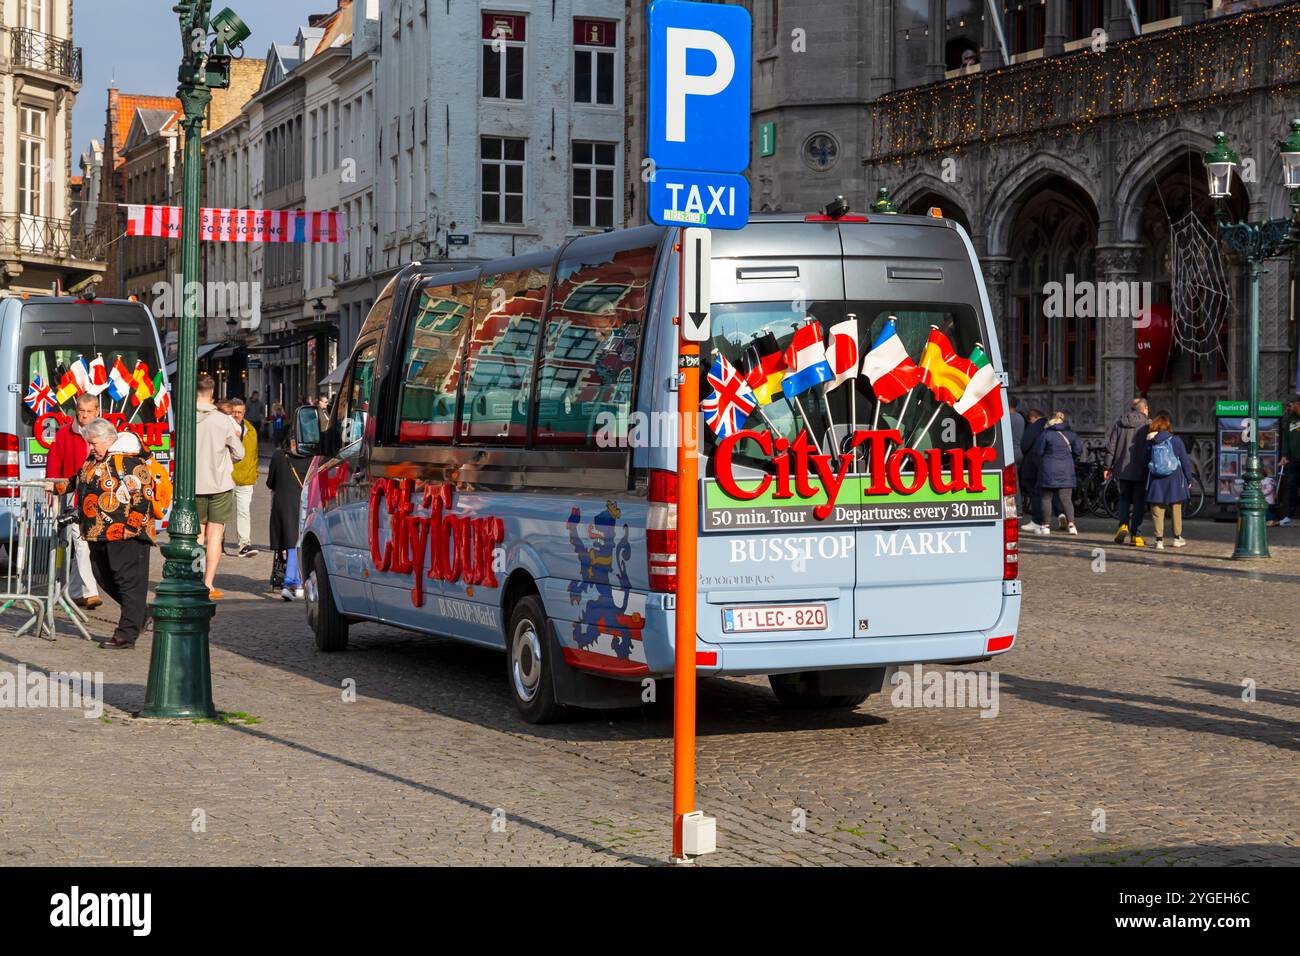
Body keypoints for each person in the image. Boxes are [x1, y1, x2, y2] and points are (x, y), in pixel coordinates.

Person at [73, 418, 172, 649]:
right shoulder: (94, 459)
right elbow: (80, 479)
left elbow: (143, 494)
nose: (90, 448)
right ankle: (139, 613)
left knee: (129, 583)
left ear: (109, 440)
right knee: (102, 575)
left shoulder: (128, 460)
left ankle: (126, 634)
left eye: (94, 443)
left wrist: (132, 526)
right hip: (98, 531)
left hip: (126, 532)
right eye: (89, 443)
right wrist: (57, 486)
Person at [45, 393, 102, 610]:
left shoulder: (103, 431)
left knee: (86, 543)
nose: (84, 415)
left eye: (89, 411)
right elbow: (54, 461)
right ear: (76, 410)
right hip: (74, 497)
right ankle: (90, 592)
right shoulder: (64, 434)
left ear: (96, 411)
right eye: (81, 411)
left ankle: (75, 591)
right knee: (81, 542)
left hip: (97, 497)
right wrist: (52, 487)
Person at [195, 374, 245, 599]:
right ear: (213, 393)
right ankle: (207, 582)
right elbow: (240, 452)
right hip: (219, 483)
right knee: (215, 534)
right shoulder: (222, 420)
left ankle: (194, 579)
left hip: (193, 484)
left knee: (196, 534)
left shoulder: (185, 417)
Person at [1106, 396, 1151, 547]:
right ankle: (1136, 536)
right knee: (1139, 502)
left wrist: (1107, 467)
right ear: (1144, 409)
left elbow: (1111, 446)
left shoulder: (1120, 422)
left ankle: (1123, 525)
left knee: (1124, 498)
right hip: (1141, 469)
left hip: (1121, 469)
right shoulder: (1148, 424)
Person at [267, 437, 308, 600]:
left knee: (291, 543)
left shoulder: (278, 456)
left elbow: (270, 482)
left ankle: (294, 581)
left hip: (282, 504)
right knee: (297, 542)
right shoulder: (312, 458)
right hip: (302, 502)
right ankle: (293, 582)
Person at [1144, 415, 1194, 550]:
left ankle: (1159, 540)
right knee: (1176, 509)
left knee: (1157, 510)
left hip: (1156, 479)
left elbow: (1146, 461)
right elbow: (1185, 461)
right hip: (1174, 478)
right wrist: (1189, 479)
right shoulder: (1176, 440)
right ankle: (1177, 538)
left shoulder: (1151, 441)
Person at [1031, 410, 1083, 535]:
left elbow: (1038, 451)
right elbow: (1079, 451)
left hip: (1048, 470)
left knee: (1046, 499)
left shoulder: (1046, 434)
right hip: (1066, 470)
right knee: (1066, 499)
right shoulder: (1071, 434)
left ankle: (1045, 526)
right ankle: (1072, 526)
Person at [228, 397, 260, 557]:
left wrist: (254, 474)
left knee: (244, 512)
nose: (236, 415)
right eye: (234, 412)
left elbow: (254, 455)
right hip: (226, 477)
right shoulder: (223, 427)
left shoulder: (251, 430)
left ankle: (244, 544)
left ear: (244, 412)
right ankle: (217, 542)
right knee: (223, 513)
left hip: (245, 478)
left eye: (239, 412)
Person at [1270, 393, 1300, 527]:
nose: (1288, 408)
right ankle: (1288, 516)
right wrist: (1284, 455)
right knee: (1290, 487)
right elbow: (1286, 438)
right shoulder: (1290, 419)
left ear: (1297, 404)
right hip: (1293, 460)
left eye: (1290, 405)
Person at [1020, 408, 1048, 531]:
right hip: (1048, 465)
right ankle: (1062, 516)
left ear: (1032, 418)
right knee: (1053, 493)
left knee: (1035, 493)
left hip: (1032, 464)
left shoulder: (1035, 426)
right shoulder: (1050, 426)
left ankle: (1037, 520)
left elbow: (1024, 444)